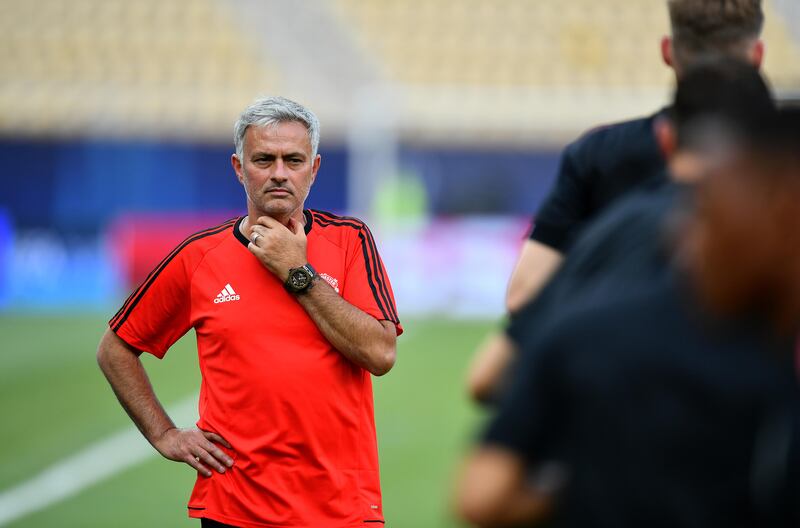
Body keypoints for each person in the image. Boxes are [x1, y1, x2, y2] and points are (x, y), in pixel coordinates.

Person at [454, 108, 800, 528]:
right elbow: (483, 489)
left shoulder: (599, 336)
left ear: (783, 213)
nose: (682, 232)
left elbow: (486, 489)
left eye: (709, 212)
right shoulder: (605, 338)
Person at [97, 96, 402, 528]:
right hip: (234, 507)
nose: (279, 173)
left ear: (313, 169)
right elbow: (116, 348)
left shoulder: (351, 241)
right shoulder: (199, 257)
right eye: (264, 159)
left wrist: (298, 272)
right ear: (239, 168)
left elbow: (380, 354)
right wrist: (164, 433)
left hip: (340, 508)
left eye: (293, 160)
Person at [468, 0, 768, 402]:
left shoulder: (601, 157)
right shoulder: (782, 161)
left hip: (624, 406)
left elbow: (524, 297)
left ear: (668, 51)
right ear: (759, 54)